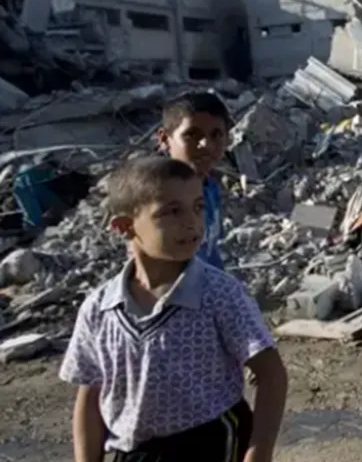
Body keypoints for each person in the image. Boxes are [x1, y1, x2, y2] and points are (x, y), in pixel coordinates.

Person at [60, 157, 288, 462]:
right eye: (172, 211)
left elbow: (271, 373)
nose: (191, 222)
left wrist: (258, 453)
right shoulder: (100, 309)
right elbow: (90, 395)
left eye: (198, 207)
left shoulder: (218, 294)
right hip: (134, 451)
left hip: (211, 442)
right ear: (125, 226)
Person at [158, 92, 231, 270]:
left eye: (216, 135)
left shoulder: (209, 187)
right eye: (192, 135)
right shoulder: (159, 198)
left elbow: (211, 250)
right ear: (165, 139)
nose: (206, 145)